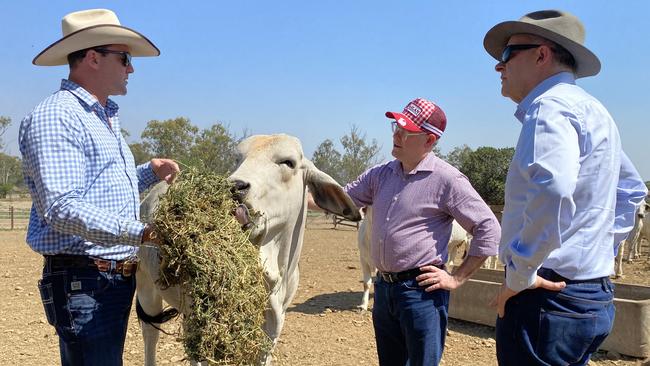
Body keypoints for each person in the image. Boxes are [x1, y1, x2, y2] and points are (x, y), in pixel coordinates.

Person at [483, 10, 647, 365]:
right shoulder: (596, 111)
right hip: (592, 294)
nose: (499, 66)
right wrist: (594, 249)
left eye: (508, 54)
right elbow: (632, 191)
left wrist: (521, 274)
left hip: (546, 298)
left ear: (541, 55)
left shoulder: (548, 108)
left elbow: (553, 189)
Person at [19, 9, 179, 365]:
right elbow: (61, 206)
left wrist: (148, 172)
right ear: (93, 58)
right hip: (84, 279)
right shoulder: (56, 116)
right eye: (125, 58)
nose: (131, 68)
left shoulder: (101, 117)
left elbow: (100, 189)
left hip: (107, 280)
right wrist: (143, 232)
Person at [341, 98, 501, 365]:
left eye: (406, 131)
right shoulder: (381, 174)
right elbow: (340, 200)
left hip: (421, 292)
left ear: (429, 140)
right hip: (385, 288)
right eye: (396, 126)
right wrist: (294, 189)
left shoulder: (447, 180)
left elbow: (488, 229)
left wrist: (457, 278)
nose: (396, 134)